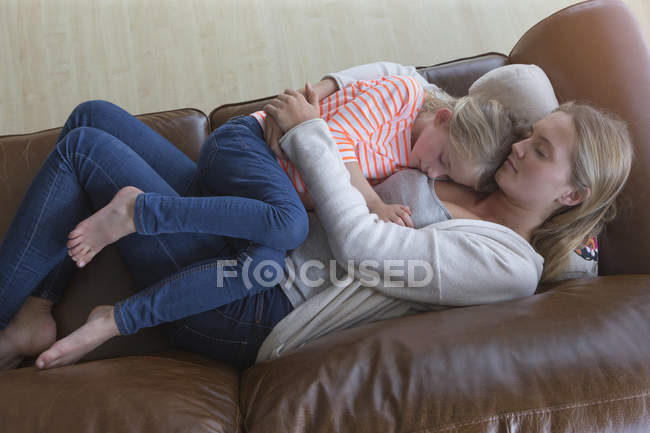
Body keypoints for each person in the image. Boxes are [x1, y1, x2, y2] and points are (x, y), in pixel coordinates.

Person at [0, 76, 632, 371]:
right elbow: (493, 88)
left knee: (83, 152)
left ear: (573, 194)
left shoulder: (508, 264)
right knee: (93, 116)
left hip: (259, 297)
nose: (522, 148)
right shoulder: (478, 168)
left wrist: (308, 135)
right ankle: (39, 304)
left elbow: (364, 247)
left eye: (542, 153)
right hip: (254, 226)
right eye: (531, 136)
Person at [250, 74, 523, 227]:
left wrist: (305, 201)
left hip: (277, 188)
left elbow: (333, 185)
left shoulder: (408, 165)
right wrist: (374, 204)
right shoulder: (404, 95)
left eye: (447, 177)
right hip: (258, 145)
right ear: (441, 118)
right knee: (286, 227)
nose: (432, 171)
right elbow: (334, 139)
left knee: (283, 231)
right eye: (442, 159)